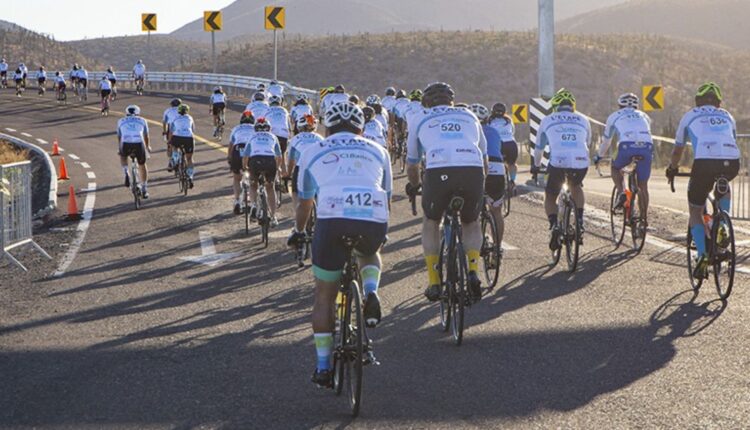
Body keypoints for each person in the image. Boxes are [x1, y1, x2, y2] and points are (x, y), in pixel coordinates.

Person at [287, 101, 392, 388]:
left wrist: (298, 231)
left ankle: (323, 366)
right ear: (360, 127)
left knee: (324, 295)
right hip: (371, 215)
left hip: (332, 219)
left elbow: (305, 204)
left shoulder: (311, 151)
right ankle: (371, 291)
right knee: (370, 252)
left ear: (326, 127)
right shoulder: (378, 149)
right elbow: (388, 196)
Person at [405, 82, 488, 303]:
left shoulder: (420, 118)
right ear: (451, 101)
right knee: (471, 222)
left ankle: (434, 282)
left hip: (438, 170)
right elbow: (485, 156)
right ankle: (473, 271)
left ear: (427, 102)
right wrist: (480, 186)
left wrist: (414, 186)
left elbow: (412, 163)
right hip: (473, 168)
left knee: (431, 221)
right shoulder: (469, 115)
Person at [666, 82, 740, 279]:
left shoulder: (690, 115)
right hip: (732, 161)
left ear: (697, 101)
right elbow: (731, 138)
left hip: (704, 163)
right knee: (723, 184)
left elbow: (677, 150)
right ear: (718, 102)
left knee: (695, 209)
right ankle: (723, 222)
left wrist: (672, 168)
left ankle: (701, 256)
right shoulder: (727, 115)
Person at [532, 88, 591, 250]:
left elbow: (539, 148)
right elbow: (588, 142)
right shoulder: (583, 119)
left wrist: (536, 166)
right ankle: (579, 221)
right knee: (576, 186)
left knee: (551, 196)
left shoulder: (547, 119)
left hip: (558, 162)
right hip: (581, 161)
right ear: (573, 106)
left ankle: (554, 226)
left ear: (555, 106)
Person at [595, 93, 653, 218]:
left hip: (626, 146)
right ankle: (643, 219)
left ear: (619, 105)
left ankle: (622, 192)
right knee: (643, 186)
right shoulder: (645, 116)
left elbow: (607, 141)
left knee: (615, 167)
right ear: (636, 106)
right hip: (646, 147)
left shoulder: (614, 116)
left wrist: (599, 156)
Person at [473, 103, 506, 261]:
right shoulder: (494, 130)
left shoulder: (469, 129)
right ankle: (497, 248)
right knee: (496, 211)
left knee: (472, 212)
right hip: (497, 168)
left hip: (478, 166)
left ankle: (476, 243)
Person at [242, 118, 282, 226]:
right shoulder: (273, 137)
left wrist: (245, 167)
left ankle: (254, 205)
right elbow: (279, 157)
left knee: (253, 184)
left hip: (256, 161)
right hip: (270, 161)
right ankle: (273, 217)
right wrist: (277, 168)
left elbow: (245, 156)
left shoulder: (252, 137)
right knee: (270, 187)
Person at [286, 114, 324, 209]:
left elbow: (291, 160)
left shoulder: (295, 139)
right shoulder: (320, 138)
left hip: (301, 167)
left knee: (295, 191)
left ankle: (297, 213)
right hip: (317, 167)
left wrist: (289, 174)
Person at [117, 105, 152, 198]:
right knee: (142, 164)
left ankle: (126, 172)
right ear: (138, 113)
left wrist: (119, 148)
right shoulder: (142, 120)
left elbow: (120, 136)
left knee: (123, 156)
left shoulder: (120, 121)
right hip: (138, 143)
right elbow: (146, 136)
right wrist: (147, 147)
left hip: (125, 143)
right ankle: (144, 189)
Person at [228, 111, 256, 214]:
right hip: (250, 151)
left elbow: (231, 145)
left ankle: (237, 201)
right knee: (254, 179)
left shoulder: (236, 128)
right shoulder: (255, 129)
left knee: (236, 178)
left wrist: (230, 158)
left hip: (237, 149)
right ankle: (253, 203)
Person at [487, 103, 518, 193]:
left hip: (498, 143)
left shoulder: (489, 120)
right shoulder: (509, 120)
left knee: (494, 162)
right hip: (511, 143)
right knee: (512, 164)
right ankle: (512, 181)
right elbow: (513, 131)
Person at [169, 104, 197, 188]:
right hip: (188, 138)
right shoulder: (190, 118)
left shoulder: (175, 118)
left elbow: (171, 131)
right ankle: (190, 177)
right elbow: (193, 130)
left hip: (177, 137)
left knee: (174, 147)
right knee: (189, 158)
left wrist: (169, 141)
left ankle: (175, 158)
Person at [266, 95, 292, 176]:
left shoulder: (267, 110)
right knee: (283, 156)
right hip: (284, 135)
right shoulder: (284, 110)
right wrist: (289, 136)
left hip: (272, 134)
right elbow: (289, 126)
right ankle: (284, 177)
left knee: (269, 154)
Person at [162, 98, 182, 170]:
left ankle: (171, 162)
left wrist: (164, 132)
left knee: (170, 145)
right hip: (183, 129)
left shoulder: (167, 110)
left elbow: (164, 122)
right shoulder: (183, 109)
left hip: (171, 130)